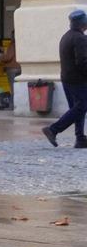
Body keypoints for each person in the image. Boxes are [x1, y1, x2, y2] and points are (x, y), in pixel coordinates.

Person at [41, 8, 87, 148]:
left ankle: (80, 139)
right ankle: (53, 129)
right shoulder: (80, 38)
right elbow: (83, 62)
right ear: (83, 24)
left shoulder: (66, 36)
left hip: (67, 79)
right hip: (78, 80)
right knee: (81, 107)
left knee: (77, 108)